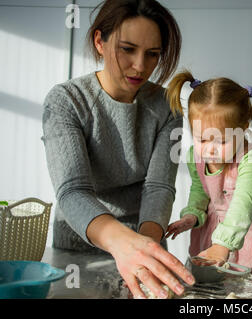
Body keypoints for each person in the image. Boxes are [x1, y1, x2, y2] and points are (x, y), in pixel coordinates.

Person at [41, 0, 195, 299]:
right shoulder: (66, 101)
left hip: (143, 242)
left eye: (153, 55)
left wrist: (143, 250)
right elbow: (73, 191)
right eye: (127, 49)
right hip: (78, 250)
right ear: (100, 41)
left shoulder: (168, 107)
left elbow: (159, 187)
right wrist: (123, 243)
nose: (140, 66)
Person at [164, 70, 252, 278]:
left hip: (246, 229)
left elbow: (244, 202)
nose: (209, 149)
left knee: (246, 286)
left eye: (220, 141)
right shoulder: (196, 155)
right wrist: (192, 215)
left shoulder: (250, 158)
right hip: (214, 229)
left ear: (241, 130)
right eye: (202, 139)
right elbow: (200, 190)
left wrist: (223, 245)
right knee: (212, 283)